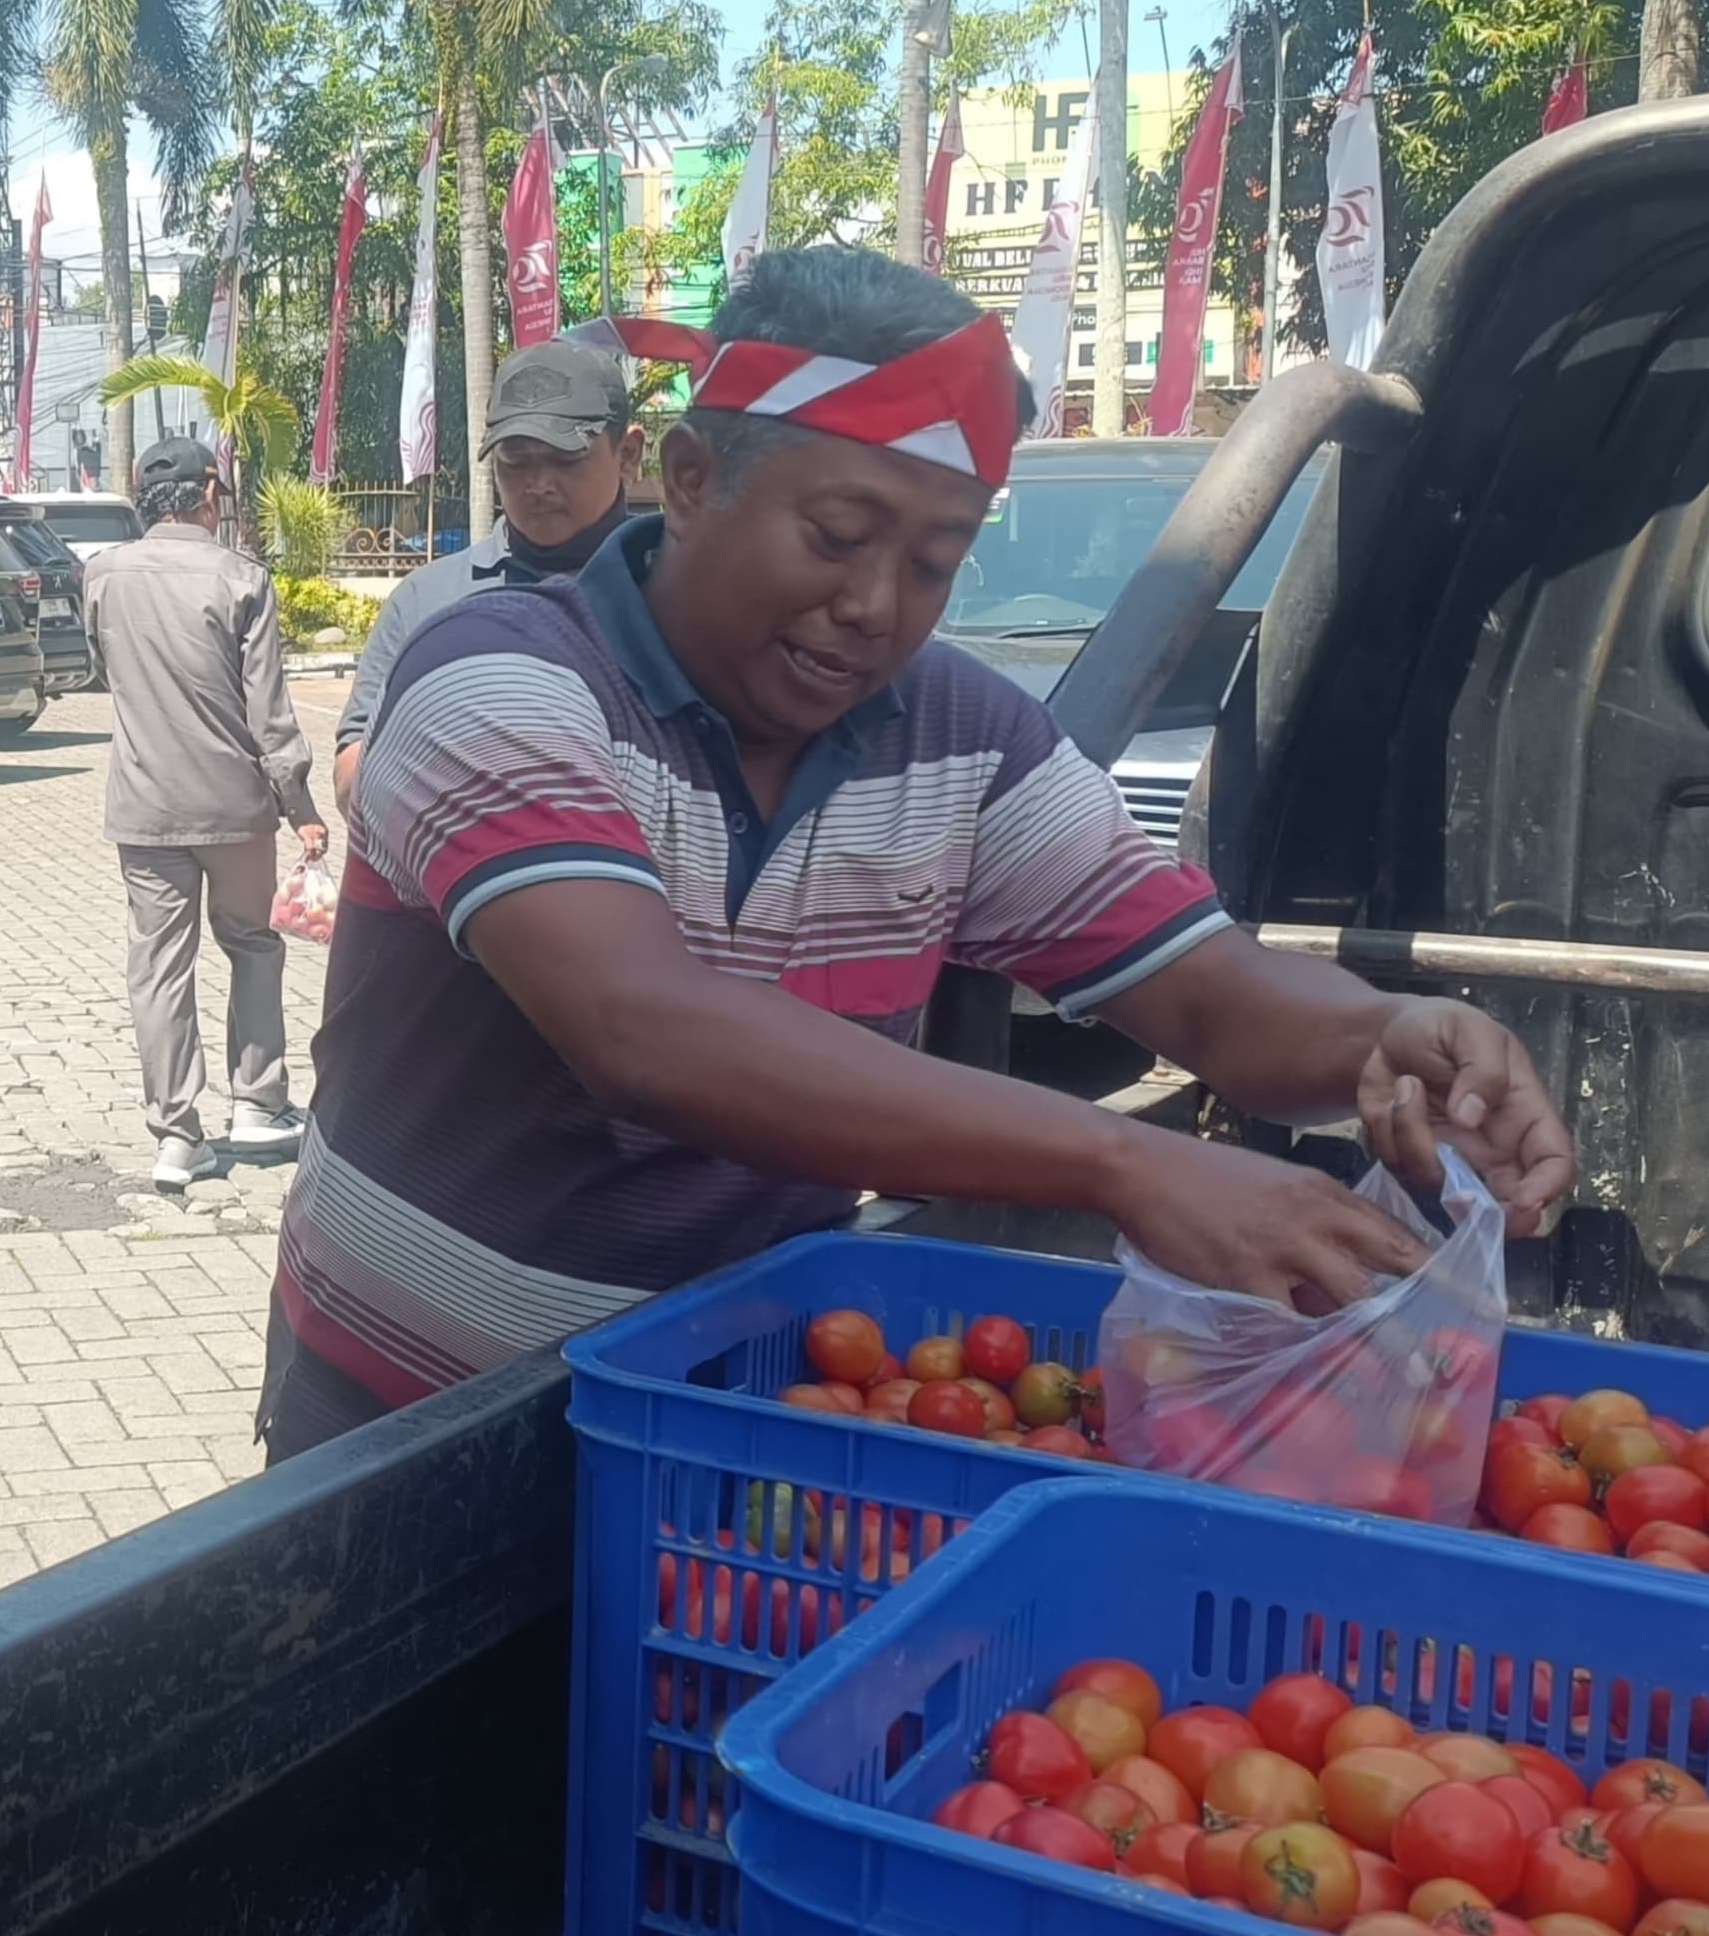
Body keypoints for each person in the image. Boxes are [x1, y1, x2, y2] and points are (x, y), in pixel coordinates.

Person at [261, 247, 1573, 1461]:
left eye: (935, 561)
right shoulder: (498, 676)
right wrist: (1127, 1161)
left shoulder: (964, 740)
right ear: (690, 476)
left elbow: (1210, 994)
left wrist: (1384, 1036)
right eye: (835, 537)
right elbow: (641, 1027)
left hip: (733, 1408)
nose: (876, 604)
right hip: (407, 1429)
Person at [80, 436, 327, 1193]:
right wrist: (302, 808)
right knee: (252, 942)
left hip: (145, 804)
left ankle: (176, 1136)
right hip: (234, 806)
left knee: (157, 968)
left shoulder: (99, 575)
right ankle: (257, 1103)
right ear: (211, 492)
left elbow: (101, 668)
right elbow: (270, 712)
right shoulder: (239, 576)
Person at [332, 337, 642, 809]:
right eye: (515, 462)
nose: (538, 485)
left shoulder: (678, 593)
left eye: (565, 460)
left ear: (629, 453)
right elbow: (350, 779)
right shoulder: (428, 603)